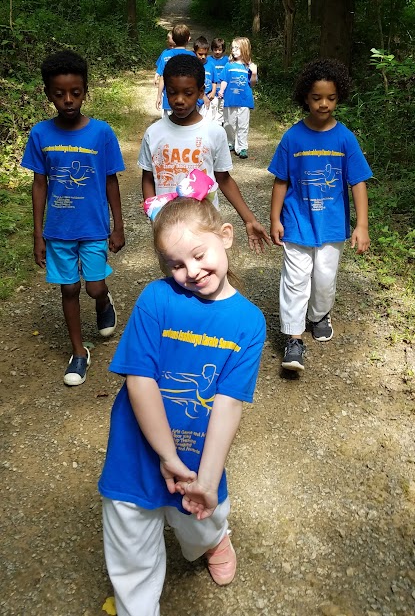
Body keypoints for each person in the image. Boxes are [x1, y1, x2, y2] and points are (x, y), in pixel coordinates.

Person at [98, 172, 266, 615]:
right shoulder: (157, 300)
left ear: (225, 237)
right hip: (136, 449)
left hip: (199, 451)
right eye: (175, 264)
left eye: (198, 254)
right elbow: (140, 379)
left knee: (199, 519)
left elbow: (229, 403)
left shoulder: (249, 323)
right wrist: (166, 455)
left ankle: (214, 543)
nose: (190, 272)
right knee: (130, 546)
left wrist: (207, 478)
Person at [21, 50, 125, 386]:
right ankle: (79, 352)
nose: (68, 100)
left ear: (85, 91)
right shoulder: (40, 134)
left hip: (93, 227)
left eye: (75, 93)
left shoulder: (101, 133)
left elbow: (111, 179)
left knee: (93, 287)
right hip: (59, 230)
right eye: (59, 94)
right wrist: (38, 235)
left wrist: (118, 224)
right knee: (68, 288)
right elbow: (39, 185)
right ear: (48, 93)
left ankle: (103, 299)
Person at [268, 58, 372, 373]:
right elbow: (281, 180)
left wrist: (362, 224)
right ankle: (294, 338)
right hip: (297, 222)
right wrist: (275, 218)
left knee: (324, 280)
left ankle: (319, 314)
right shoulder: (292, 138)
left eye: (330, 98)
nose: (323, 104)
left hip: (332, 226)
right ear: (305, 97)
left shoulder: (345, 138)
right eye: (316, 98)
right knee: (296, 279)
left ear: (338, 98)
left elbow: (358, 182)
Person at [138, 53, 271, 252]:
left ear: (201, 92)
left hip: (205, 226)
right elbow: (148, 177)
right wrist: (154, 216)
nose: (179, 100)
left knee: (207, 276)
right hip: (169, 229)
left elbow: (223, 179)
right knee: (176, 276)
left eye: (188, 93)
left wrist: (249, 219)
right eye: (172, 92)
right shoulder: (154, 133)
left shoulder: (214, 132)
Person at [219, 37, 257, 159]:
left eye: (237, 48)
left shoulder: (249, 67)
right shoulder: (229, 65)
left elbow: (252, 84)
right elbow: (224, 80)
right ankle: (230, 142)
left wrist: (254, 73)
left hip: (244, 100)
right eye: (233, 48)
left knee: (243, 124)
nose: (234, 50)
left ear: (244, 49)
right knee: (229, 123)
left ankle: (242, 147)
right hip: (230, 99)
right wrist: (221, 90)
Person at [155, 23, 192, 113]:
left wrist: (159, 96)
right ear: (188, 39)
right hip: (186, 99)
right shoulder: (192, 56)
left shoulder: (166, 55)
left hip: (169, 98)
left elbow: (162, 78)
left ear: (174, 39)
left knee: (168, 125)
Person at [193, 35, 216, 118]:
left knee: (206, 122)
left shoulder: (211, 65)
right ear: (194, 52)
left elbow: (214, 81)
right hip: (194, 99)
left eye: (205, 54)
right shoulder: (192, 65)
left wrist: (213, 92)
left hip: (208, 98)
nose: (203, 57)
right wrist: (202, 96)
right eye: (200, 54)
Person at [210, 37, 229, 125]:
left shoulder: (227, 60)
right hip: (212, 89)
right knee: (212, 107)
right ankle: (212, 124)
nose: (217, 52)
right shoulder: (209, 59)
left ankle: (221, 125)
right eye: (215, 49)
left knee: (221, 108)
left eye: (220, 50)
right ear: (212, 49)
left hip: (223, 89)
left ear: (223, 50)